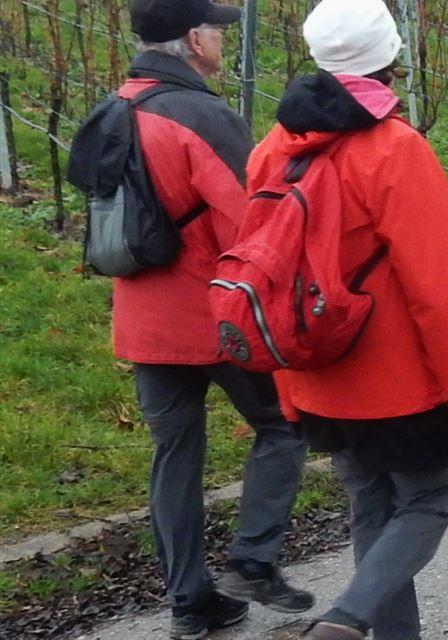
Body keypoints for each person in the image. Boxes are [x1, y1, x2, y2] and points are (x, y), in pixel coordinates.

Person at [252, 0, 448, 637]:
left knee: (372, 505)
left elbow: (267, 280)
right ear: (392, 55)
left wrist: (289, 392)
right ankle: (345, 620)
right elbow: (439, 293)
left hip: (315, 373)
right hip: (396, 383)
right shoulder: (395, 150)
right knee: (430, 501)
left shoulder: (272, 149)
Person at [76, 1, 315, 637]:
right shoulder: (200, 115)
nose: (221, 40)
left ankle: (190, 601)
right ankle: (252, 559)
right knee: (284, 423)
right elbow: (253, 217)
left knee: (174, 455)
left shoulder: (111, 110)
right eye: (215, 29)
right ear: (192, 38)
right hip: (215, 315)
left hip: (142, 318)